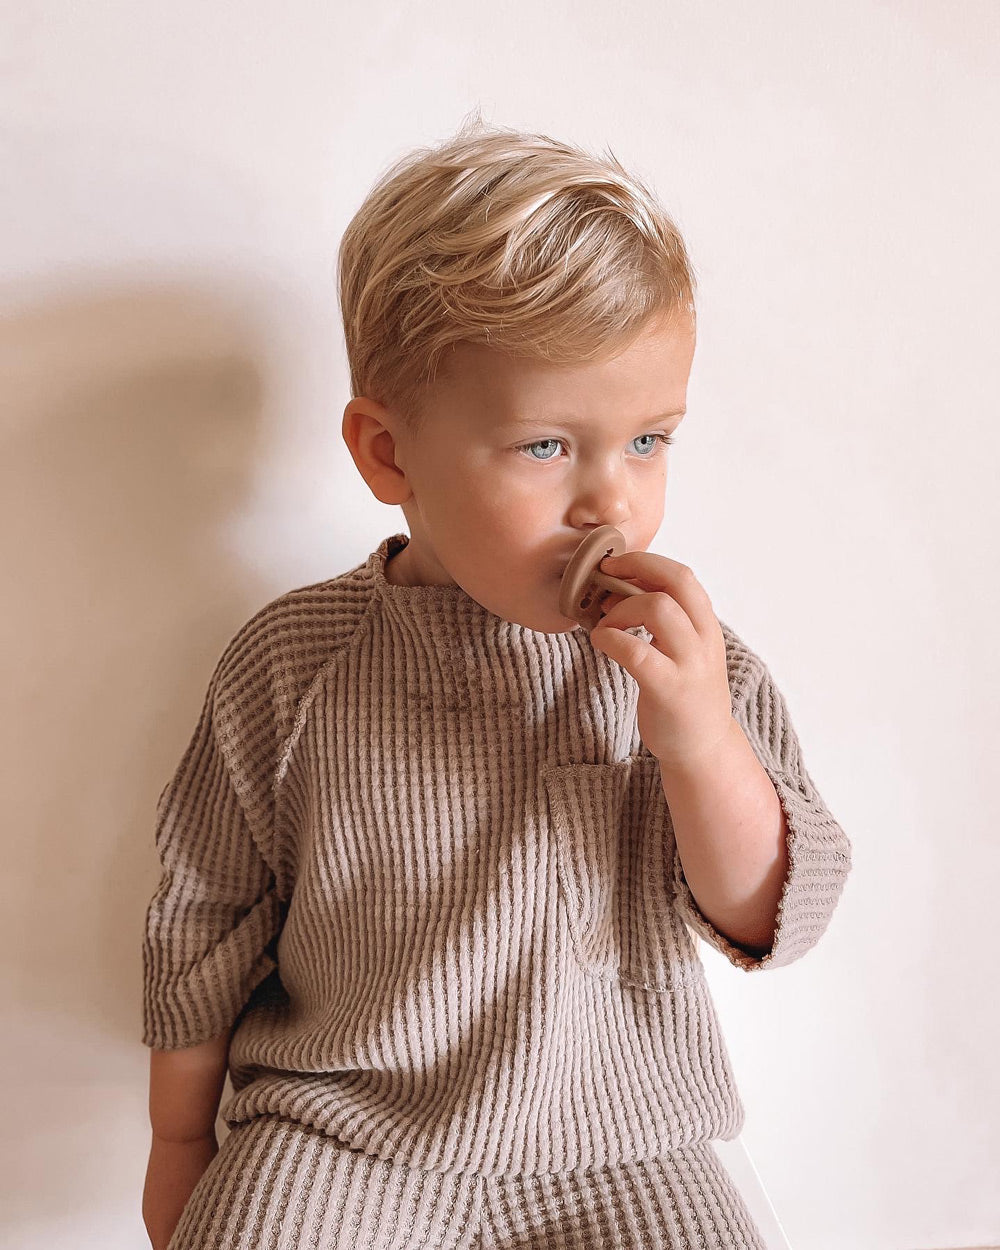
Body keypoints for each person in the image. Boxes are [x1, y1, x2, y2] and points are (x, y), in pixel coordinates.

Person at [140, 111, 852, 1250]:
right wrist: (182, 1141)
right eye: (544, 447)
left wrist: (701, 738)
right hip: (342, 1132)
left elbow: (769, 915)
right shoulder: (293, 660)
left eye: (649, 441)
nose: (609, 501)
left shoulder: (690, 668)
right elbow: (207, 912)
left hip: (621, 1140)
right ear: (389, 453)